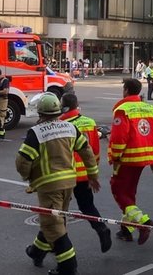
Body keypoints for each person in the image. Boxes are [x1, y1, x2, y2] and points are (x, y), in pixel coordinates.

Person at [18, 93, 100, 275]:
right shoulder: (70, 128)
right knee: (54, 219)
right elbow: (86, 151)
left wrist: (29, 178)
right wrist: (92, 174)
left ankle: (68, 267)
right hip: (69, 183)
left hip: (48, 186)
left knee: (52, 225)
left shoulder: (36, 133)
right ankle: (36, 252)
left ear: (40, 112)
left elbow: (23, 161)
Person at [108, 78, 153, 245]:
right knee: (129, 192)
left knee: (119, 191)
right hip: (144, 157)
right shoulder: (149, 109)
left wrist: (115, 157)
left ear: (126, 90)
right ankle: (126, 229)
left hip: (127, 158)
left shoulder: (122, 110)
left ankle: (143, 223)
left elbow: (119, 137)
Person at [59, 94, 112, 253]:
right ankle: (101, 228)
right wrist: (92, 174)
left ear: (64, 107)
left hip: (65, 175)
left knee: (57, 211)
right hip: (84, 174)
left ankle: (53, 246)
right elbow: (95, 151)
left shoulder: (60, 124)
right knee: (87, 205)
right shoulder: (90, 122)